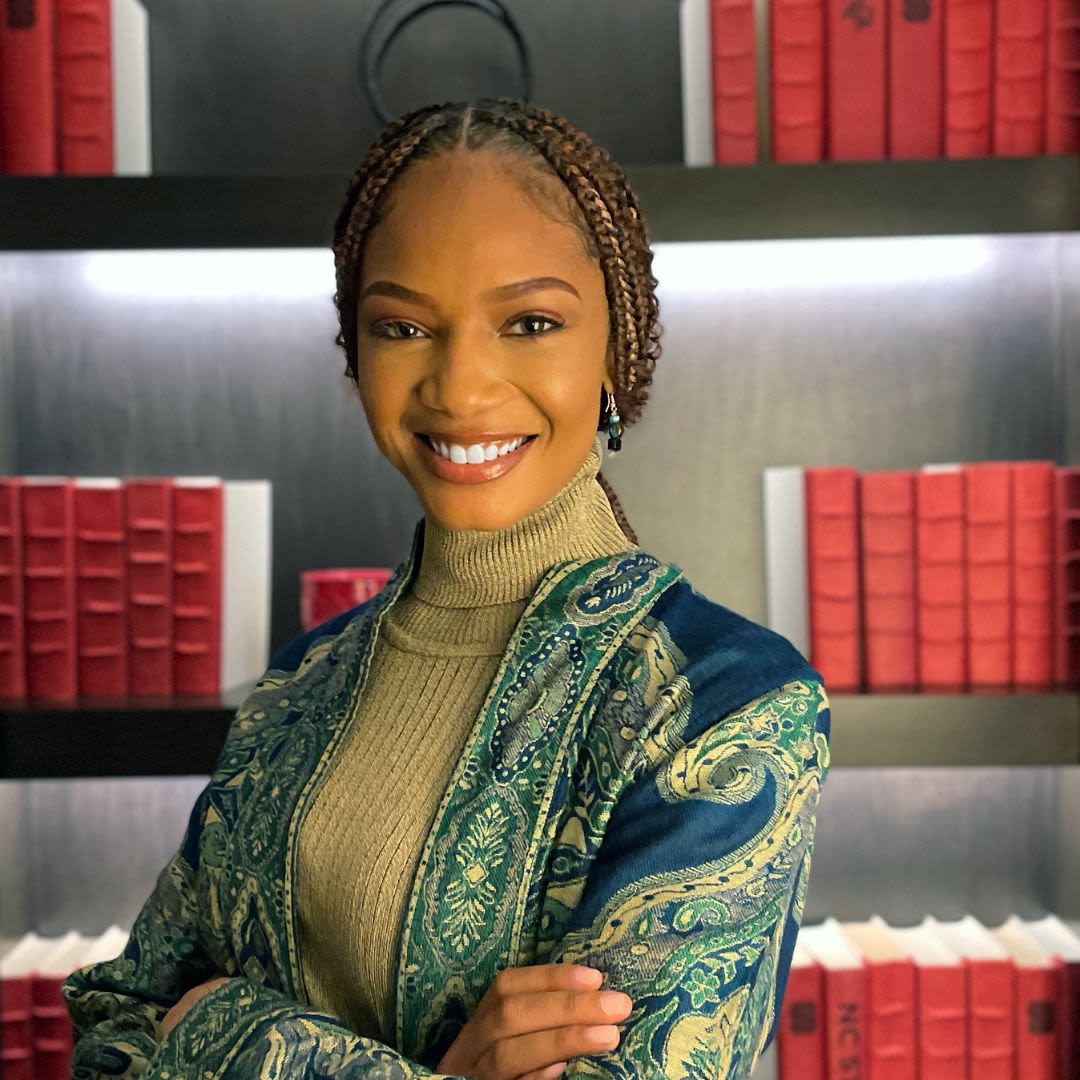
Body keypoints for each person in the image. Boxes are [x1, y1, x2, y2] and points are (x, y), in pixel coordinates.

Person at [63, 97, 831, 1079]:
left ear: (618, 346)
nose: (460, 389)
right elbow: (117, 1022)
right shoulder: (301, 681)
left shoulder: (723, 707)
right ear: (354, 353)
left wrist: (224, 1027)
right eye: (403, 326)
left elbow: (172, 1023)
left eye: (531, 322)